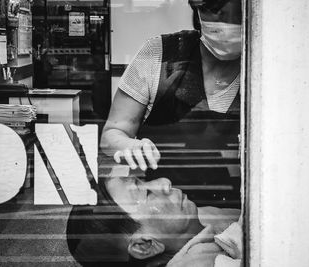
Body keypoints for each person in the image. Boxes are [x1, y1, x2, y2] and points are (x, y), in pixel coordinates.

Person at [100, 0, 242, 171]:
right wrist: (129, 146)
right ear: (198, 12)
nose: (227, 25)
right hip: (160, 192)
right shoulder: (158, 54)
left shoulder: (266, 75)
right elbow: (112, 133)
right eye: (217, 13)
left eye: (238, 16)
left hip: (230, 195)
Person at [66, 176, 242, 267]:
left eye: (143, 181)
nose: (164, 183)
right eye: (147, 194)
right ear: (144, 246)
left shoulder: (197, 219)